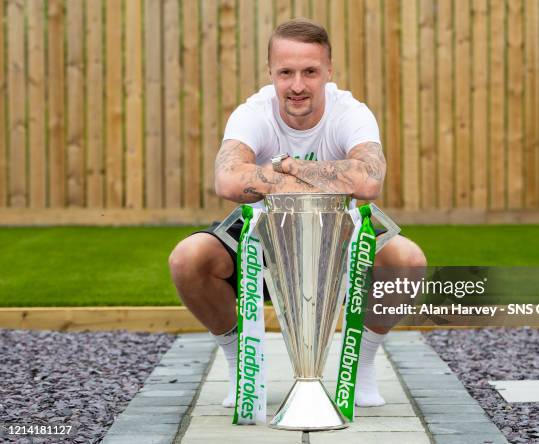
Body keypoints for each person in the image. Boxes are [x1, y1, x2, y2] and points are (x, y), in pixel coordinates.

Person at [169, 18, 427, 408]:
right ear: (270, 72)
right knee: (188, 259)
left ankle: (361, 365)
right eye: (285, 72)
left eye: (310, 72)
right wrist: (330, 177)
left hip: (338, 232)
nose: (298, 85)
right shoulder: (253, 112)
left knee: (407, 260)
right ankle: (243, 363)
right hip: (263, 234)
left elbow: (369, 181)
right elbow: (226, 181)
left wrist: (289, 167)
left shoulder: (349, 112)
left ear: (329, 71)